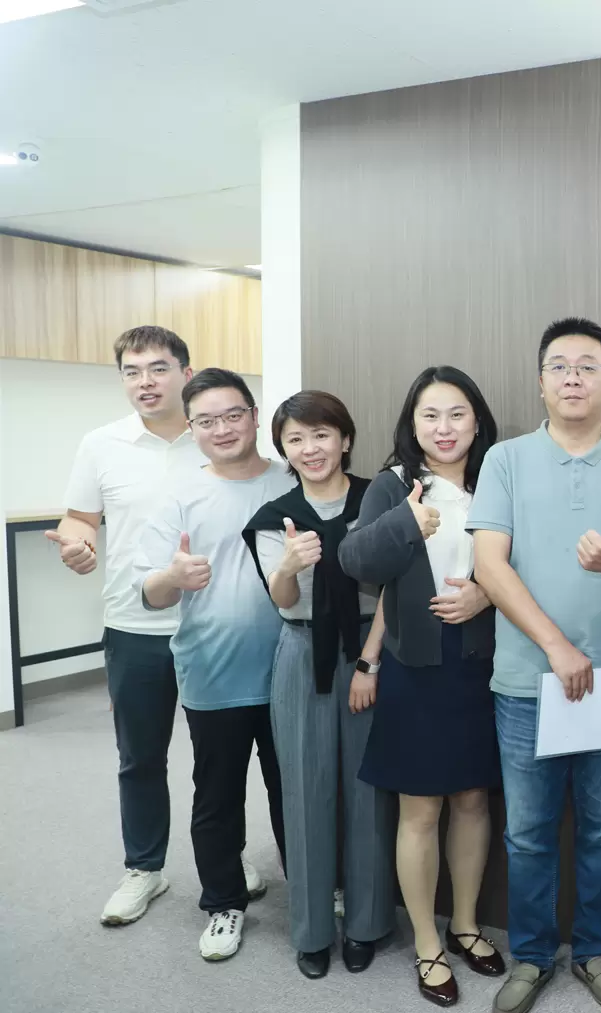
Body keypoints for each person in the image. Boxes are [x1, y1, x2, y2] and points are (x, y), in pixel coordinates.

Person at [468, 318, 601, 1013]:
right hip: (528, 681)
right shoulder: (505, 460)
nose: (573, 377)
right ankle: (530, 956)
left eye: (588, 366)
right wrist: (556, 646)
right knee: (527, 832)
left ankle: (594, 950)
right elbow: (489, 564)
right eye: (559, 366)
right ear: (541, 382)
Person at [52, 326, 262, 924]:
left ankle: (227, 860)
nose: (145, 382)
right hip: (134, 624)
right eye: (132, 371)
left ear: (185, 373)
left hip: (217, 625)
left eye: (158, 368)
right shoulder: (102, 444)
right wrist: (77, 544)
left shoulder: (217, 434)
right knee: (139, 756)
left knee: (220, 758)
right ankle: (144, 868)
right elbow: (79, 518)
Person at [339, 365, 502, 1008]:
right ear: (413, 423)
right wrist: (406, 523)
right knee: (421, 809)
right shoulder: (392, 484)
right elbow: (358, 562)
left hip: (484, 665)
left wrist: (485, 593)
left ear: (477, 420)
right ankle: (428, 942)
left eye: (457, 413)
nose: (444, 427)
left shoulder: (498, 477)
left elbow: (529, 559)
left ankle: (465, 924)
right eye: (430, 415)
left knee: (473, 799)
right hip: (417, 667)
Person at [136, 367, 295, 960]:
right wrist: (172, 578)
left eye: (232, 415)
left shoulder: (292, 479)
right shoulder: (179, 497)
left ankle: (312, 886)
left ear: (254, 415)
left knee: (294, 789)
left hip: (291, 672)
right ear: (191, 428)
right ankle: (224, 904)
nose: (222, 429)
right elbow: (149, 592)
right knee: (218, 795)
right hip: (213, 670)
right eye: (206, 421)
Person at [242, 391, 396, 979]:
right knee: (304, 792)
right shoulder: (273, 517)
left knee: (368, 791)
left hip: (367, 650)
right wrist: (288, 565)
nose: (310, 448)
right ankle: (310, 931)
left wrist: (370, 664)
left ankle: (365, 924)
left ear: (345, 439)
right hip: (302, 651)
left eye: (322, 434)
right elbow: (283, 600)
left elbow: (396, 589)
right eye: (296, 439)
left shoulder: (377, 500)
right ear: (284, 449)